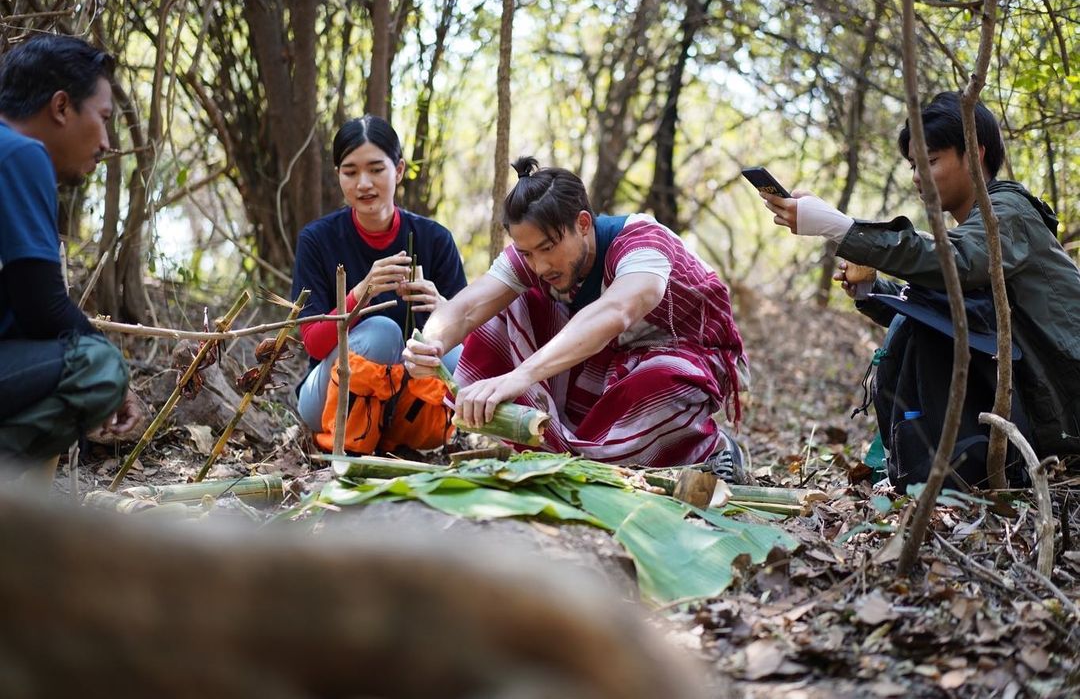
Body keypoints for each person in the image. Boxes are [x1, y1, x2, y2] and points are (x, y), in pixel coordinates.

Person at [761, 91, 1080, 485]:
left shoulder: (1008, 214)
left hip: (1067, 417)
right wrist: (872, 289)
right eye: (914, 165)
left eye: (930, 162)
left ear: (975, 154)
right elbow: (956, 317)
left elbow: (953, 261)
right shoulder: (981, 229)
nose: (917, 177)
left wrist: (840, 227)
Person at [404, 156, 748, 477]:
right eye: (527, 252)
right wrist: (429, 343)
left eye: (548, 248)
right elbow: (467, 308)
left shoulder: (643, 241)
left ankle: (707, 449)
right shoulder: (533, 256)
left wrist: (520, 376)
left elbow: (616, 311)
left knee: (655, 380)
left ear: (583, 224)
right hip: (605, 363)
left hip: (685, 360)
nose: (540, 265)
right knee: (507, 307)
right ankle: (560, 445)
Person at [0, 34, 140, 467]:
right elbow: (43, 306)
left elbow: (24, 308)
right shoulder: (18, 153)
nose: (106, 143)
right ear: (61, 107)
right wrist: (121, 380)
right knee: (98, 368)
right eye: (102, 118)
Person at [291, 115, 467, 453]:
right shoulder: (317, 240)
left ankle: (409, 438)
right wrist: (361, 293)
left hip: (407, 403)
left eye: (376, 169)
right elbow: (313, 344)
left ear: (398, 170)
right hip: (329, 401)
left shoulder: (434, 239)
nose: (363, 184)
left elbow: (474, 341)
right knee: (381, 332)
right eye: (350, 172)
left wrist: (442, 306)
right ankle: (352, 443)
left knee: (457, 354)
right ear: (338, 175)